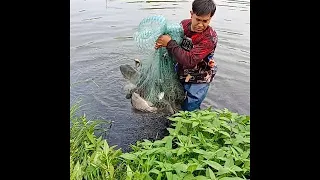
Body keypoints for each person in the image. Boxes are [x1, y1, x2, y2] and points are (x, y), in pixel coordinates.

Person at [155, 0, 218, 111]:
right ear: (191, 14)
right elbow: (173, 40)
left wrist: (169, 43)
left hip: (199, 78)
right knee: (175, 101)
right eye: (198, 19)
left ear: (210, 18)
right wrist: (162, 43)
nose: (200, 24)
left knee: (190, 109)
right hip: (181, 72)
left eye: (205, 21)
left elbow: (190, 60)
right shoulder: (183, 25)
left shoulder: (209, 38)